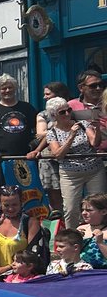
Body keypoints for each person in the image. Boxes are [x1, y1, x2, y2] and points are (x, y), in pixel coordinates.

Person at [46, 97, 106, 226]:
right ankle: (72, 238)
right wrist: (71, 136)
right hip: (70, 174)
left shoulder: (82, 124)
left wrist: (97, 130)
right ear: (54, 115)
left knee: (98, 206)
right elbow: (58, 155)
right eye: (62, 112)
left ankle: (99, 236)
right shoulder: (52, 132)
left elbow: (94, 143)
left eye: (69, 110)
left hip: (94, 170)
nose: (67, 114)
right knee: (71, 209)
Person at [0, 74, 39, 163]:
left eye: (10, 87)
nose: (7, 90)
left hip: (26, 157)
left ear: (15, 88)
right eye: (3, 88)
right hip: (2, 160)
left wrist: (35, 148)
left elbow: (38, 130)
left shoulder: (27, 108)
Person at [0, 185, 42, 273]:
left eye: (15, 204)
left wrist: (8, 268)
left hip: (17, 275)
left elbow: (32, 255)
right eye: (6, 205)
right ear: (0, 203)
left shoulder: (30, 223)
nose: (11, 209)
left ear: (21, 202)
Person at [68, 70, 107, 152]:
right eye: (93, 86)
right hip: (85, 157)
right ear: (81, 88)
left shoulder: (106, 104)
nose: (98, 88)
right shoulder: (71, 106)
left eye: (101, 85)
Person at [76, 193, 107, 268]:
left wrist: (100, 243)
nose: (84, 213)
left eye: (89, 210)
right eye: (82, 210)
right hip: (83, 271)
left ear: (104, 212)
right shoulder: (80, 229)